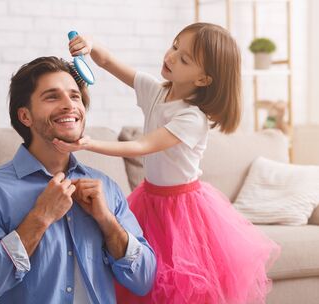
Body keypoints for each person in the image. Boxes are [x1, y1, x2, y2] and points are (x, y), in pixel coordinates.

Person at [54, 22, 280, 304]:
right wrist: (90, 44)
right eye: (175, 46)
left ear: (204, 79)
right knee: (138, 273)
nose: (171, 56)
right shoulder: (156, 90)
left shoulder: (192, 118)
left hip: (184, 209)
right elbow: (108, 61)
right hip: (149, 200)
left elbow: (141, 145)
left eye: (184, 59)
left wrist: (88, 143)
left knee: (178, 286)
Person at [0, 56, 156, 304]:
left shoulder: (106, 189)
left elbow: (144, 280)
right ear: (25, 116)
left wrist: (107, 221)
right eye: (52, 97)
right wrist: (40, 217)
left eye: (75, 96)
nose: (70, 105)